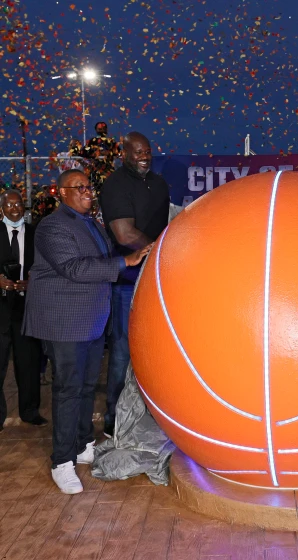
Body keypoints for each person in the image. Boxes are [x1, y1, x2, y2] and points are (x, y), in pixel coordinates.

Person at [22, 169, 151, 494]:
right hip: (64, 321)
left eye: (88, 187)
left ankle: (82, 445)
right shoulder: (53, 226)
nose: (87, 192)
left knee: (86, 386)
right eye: (78, 188)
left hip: (92, 319)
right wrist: (127, 262)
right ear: (61, 193)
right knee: (67, 390)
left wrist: (139, 269)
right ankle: (62, 462)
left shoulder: (91, 223)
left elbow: (104, 265)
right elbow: (74, 268)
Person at [100, 131, 170, 438]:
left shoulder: (159, 183)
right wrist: (160, 249)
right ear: (124, 153)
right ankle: (113, 419)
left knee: (157, 350)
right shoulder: (115, 185)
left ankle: (155, 414)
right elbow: (125, 234)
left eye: (148, 151)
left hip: (156, 279)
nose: (144, 156)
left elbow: (166, 226)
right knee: (122, 351)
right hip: (127, 281)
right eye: (138, 151)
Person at [0, 190, 46, 430]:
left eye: (18, 204)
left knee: (28, 363)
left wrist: (32, 282)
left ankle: (30, 412)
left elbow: (46, 267)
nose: (15, 209)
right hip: (1, 310)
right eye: (9, 205)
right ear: (2, 209)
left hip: (27, 308)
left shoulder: (36, 234)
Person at [82, 122, 121, 188]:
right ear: (96, 130)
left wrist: (109, 153)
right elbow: (83, 152)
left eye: (103, 128)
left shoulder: (111, 141)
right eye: (99, 129)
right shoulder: (92, 141)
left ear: (106, 130)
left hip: (108, 171)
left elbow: (118, 153)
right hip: (95, 171)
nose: (102, 130)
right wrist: (95, 152)